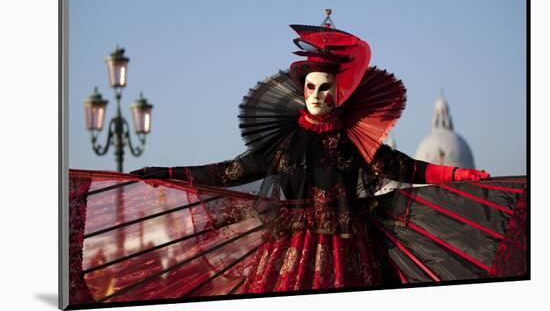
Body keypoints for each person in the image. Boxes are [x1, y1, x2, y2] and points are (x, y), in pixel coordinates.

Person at [68, 17, 526, 305]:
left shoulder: (354, 141)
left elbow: (405, 169)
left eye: (325, 88)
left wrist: (460, 175)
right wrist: (164, 174)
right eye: (310, 87)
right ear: (301, 90)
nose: (316, 96)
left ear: (338, 91)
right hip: (291, 248)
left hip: (351, 247)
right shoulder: (284, 144)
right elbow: (227, 172)